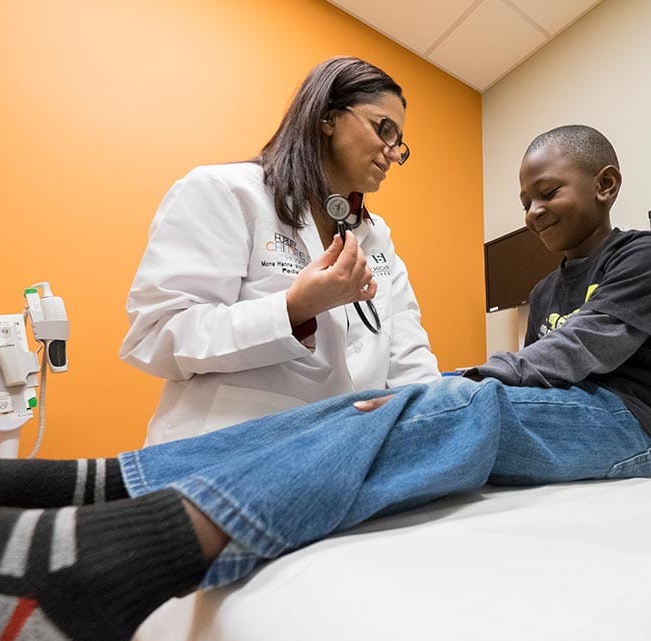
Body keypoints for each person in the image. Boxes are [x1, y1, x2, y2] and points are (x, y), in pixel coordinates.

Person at [0, 125, 651, 641]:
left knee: (464, 404)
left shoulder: (640, 255)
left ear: (606, 185)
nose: (534, 210)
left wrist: (460, 384)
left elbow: (573, 355)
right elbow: (537, 375)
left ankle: (114, 562)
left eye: (550, 193)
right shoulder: (544, 290)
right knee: (362, 407)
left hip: (630, 425)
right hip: (573, 415)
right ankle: (81, 484)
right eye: (525, 199)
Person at [119, 56, 440, 446]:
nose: (392, 152)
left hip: (338, 454)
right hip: (224, 451)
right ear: (327, 117)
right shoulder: (229, 192)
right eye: (383, 129)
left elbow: (410, 358)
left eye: (400, 143)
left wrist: (422, 412)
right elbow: (157, 337)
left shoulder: (377, 239)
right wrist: (292, 310)